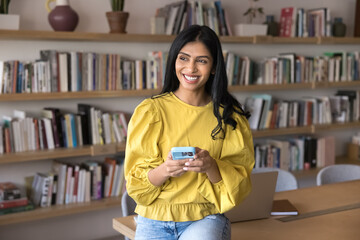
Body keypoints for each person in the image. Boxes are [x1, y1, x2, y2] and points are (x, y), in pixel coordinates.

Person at [124, 25, 255, 240]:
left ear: (213, 67)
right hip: (154, 216)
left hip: (205, 216)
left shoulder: (230, 117)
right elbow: (136, 185)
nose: (191, 68)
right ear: (174, 60)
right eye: (183, 58)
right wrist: (165, 169)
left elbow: (238, 185)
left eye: (202, 61)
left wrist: (211, 166)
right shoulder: (150, 111)